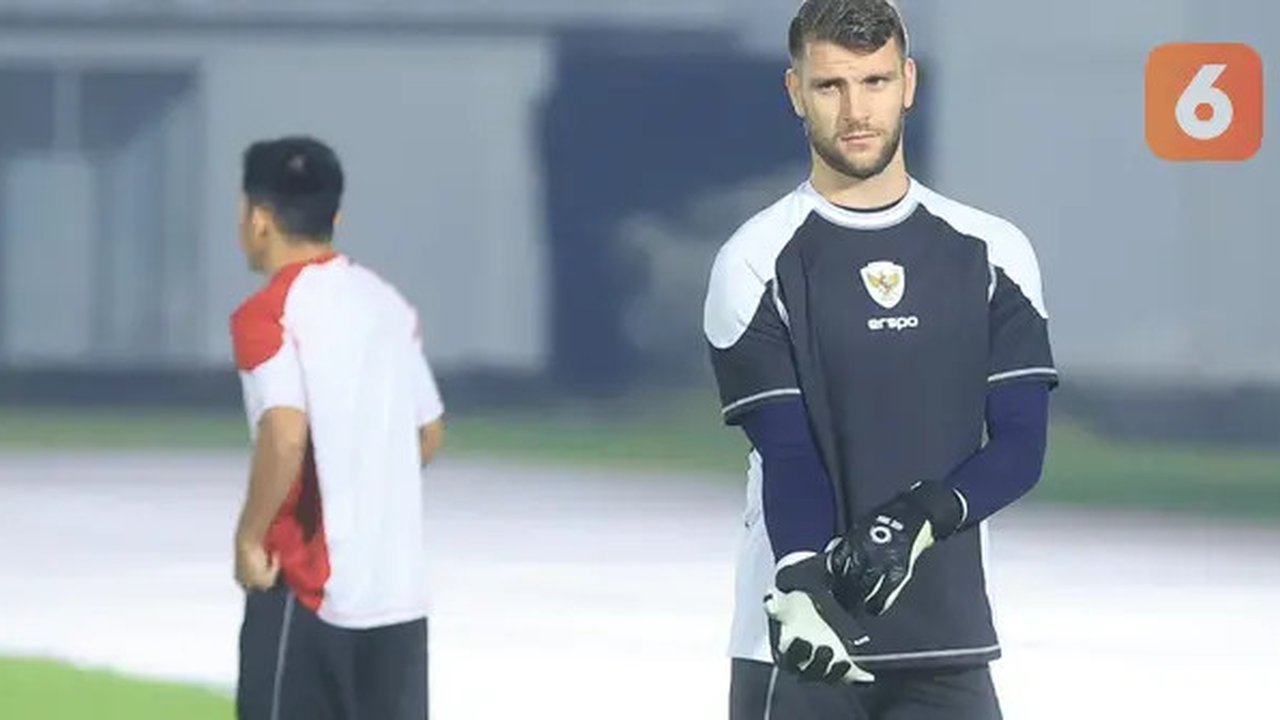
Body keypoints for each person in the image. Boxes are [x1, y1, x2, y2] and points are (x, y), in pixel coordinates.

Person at [702, 1, 1057, 718]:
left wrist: (921, 517)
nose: (856, 110)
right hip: (801, 639)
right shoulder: (755, 260)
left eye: (874, 81)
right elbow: (788, 452)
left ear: (909, 82)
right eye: (830, 85)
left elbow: (1020, 446)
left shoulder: (993, 254)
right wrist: (801, 578)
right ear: (796, 92)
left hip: (947, 646)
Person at [229, 135, 446, 720]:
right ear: (335, 217)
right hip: (398, 599)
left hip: (308, 593)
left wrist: (250, 537)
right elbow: (428, 433)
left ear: (258, 218)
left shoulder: (267, 314)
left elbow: (284, 433)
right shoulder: (387, 305)